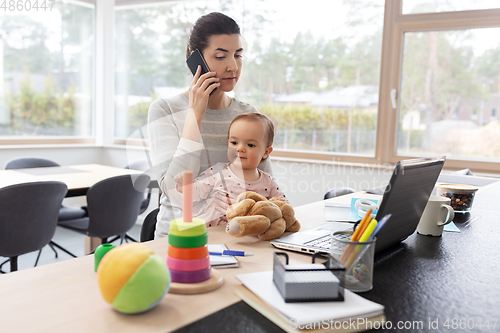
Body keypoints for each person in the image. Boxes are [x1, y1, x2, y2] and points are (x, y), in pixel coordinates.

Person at [148, 12, 273, 238]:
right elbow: (173, 191)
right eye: (220, 56)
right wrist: (195, 113)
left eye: (238, 55)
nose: (233, 66)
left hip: (237, 238)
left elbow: (265, 187)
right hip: (180, 240)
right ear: (196, 60)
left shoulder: (248, 114)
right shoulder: (164, 110)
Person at [174, 113, 287, 227]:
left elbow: (283, 208)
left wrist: (280, 205)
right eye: (234, 143)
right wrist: (186, 184)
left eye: (250, 145)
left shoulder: (269, 182)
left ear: (266, 152)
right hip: (211, 231)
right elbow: (196, 192)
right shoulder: (218, 171)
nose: (240, 148)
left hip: (247, 234)